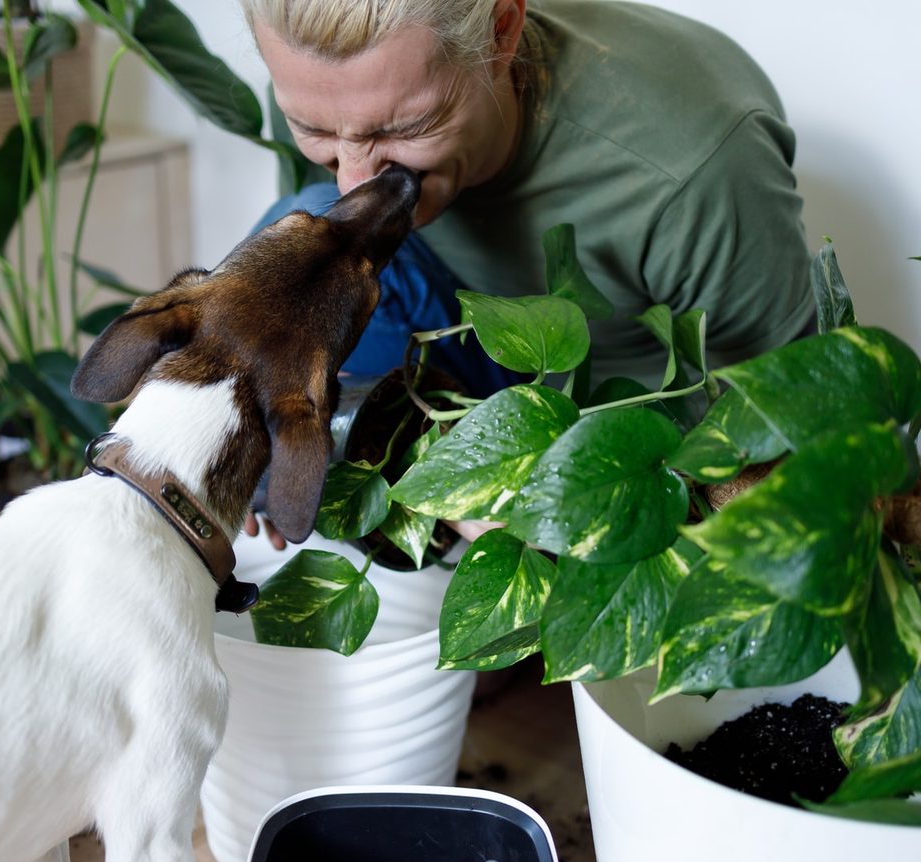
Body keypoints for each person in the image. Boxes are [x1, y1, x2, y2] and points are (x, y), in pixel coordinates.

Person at [239, 0, 815, 546]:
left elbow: (789, 418)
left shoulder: (698, 170)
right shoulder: (326, 80)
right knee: (306, 229)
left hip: (625, 429)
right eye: (315, 130)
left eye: (403, 128)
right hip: (467, 348)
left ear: (502, 30)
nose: (355, 184)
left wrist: (546, 498)